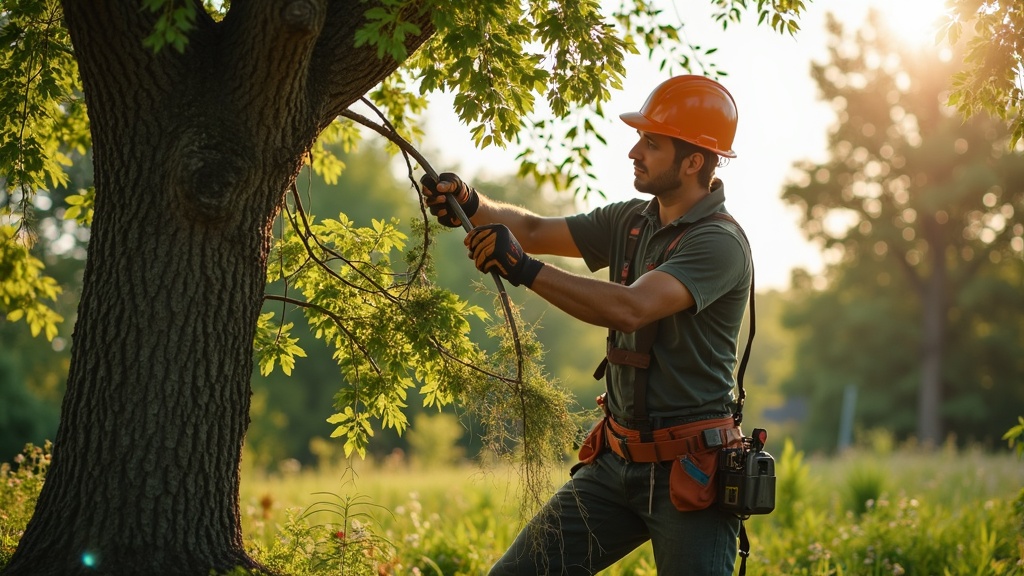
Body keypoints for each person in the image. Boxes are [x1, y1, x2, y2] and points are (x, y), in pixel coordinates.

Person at [420, 75, 752, 575]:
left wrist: (523, 269)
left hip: (691, 473)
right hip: (615, 464)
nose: (634, 151)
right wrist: (469, 202)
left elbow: (630, 308)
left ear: (693, 161)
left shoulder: (719, 243)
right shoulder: (630, 221)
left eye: (651, 143)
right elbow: (529, 230)